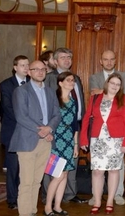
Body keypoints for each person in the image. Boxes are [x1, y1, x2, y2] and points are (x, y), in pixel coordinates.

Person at [10, 60, 61, 216]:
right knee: (26, 182)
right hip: (27, 141)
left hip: (45, 142)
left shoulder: (50, 91)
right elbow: (21, 117)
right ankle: (25, 213)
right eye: (35, 69)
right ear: (29, 72)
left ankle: (32, 211)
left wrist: (49, 128)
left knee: (37, 181)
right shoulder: (21, 91)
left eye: (42, 69)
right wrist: (41, 130)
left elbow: (56, 114)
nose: (40, 72)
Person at [80, 74, 125, 215]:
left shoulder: (124, 100)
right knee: (97, 171)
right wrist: (83, 139)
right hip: (97, 139)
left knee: (113, 171)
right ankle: (97, 201)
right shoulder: (95, 98)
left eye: (118, 84)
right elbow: (86, 119)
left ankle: (109, 201)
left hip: (116, 140)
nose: (115, 86)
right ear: (107, 83)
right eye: (112, 83)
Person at [44, 48, 87, 205]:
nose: (67, 60)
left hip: (73, 129)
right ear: (55, 61)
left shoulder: (76, 78)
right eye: (63, 57)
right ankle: (48, 198)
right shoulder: (49, 78)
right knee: (54, 170)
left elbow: (80, 102)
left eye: (69, 57)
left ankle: (68, 194)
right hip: (56, 133)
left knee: (70, 167)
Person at [87, 49, 125, 205]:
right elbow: (94, 94)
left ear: (115, 60)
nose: (109, 62)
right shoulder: (94, 77)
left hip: (116, 132)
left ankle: (117, 194)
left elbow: (124, 95)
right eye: (105, 59)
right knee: (97, 168)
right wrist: (103, 92)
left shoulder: (124, 76)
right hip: (99, 133)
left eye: (112, 59)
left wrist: (104, 91)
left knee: (117, 166)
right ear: (101, 61)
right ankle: (95, 196)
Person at [44, 72, 79, 216]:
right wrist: (48, 134)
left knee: (64, 174)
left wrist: (76, 144)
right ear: (60, 83)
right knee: (57, 175)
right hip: (56, 139)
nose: (72, 82)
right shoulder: (54, 99)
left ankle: (57, 206)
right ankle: (47, 207)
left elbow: (75, 124)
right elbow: (47, 118)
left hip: (69, 139)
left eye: (73, 80)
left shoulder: (73, 101)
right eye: (68, 80)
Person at [0, 55, 30, 210]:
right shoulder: (5, 85)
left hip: (30, 133)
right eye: (22, 65)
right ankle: (12, 199)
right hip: (12, 132)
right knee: (13, 167)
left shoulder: (34, 84)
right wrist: (27, 121)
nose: (25, 68)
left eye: (27, 65)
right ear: (15, 67)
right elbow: (8, 108)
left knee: (26, 168)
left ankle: (24, 197)